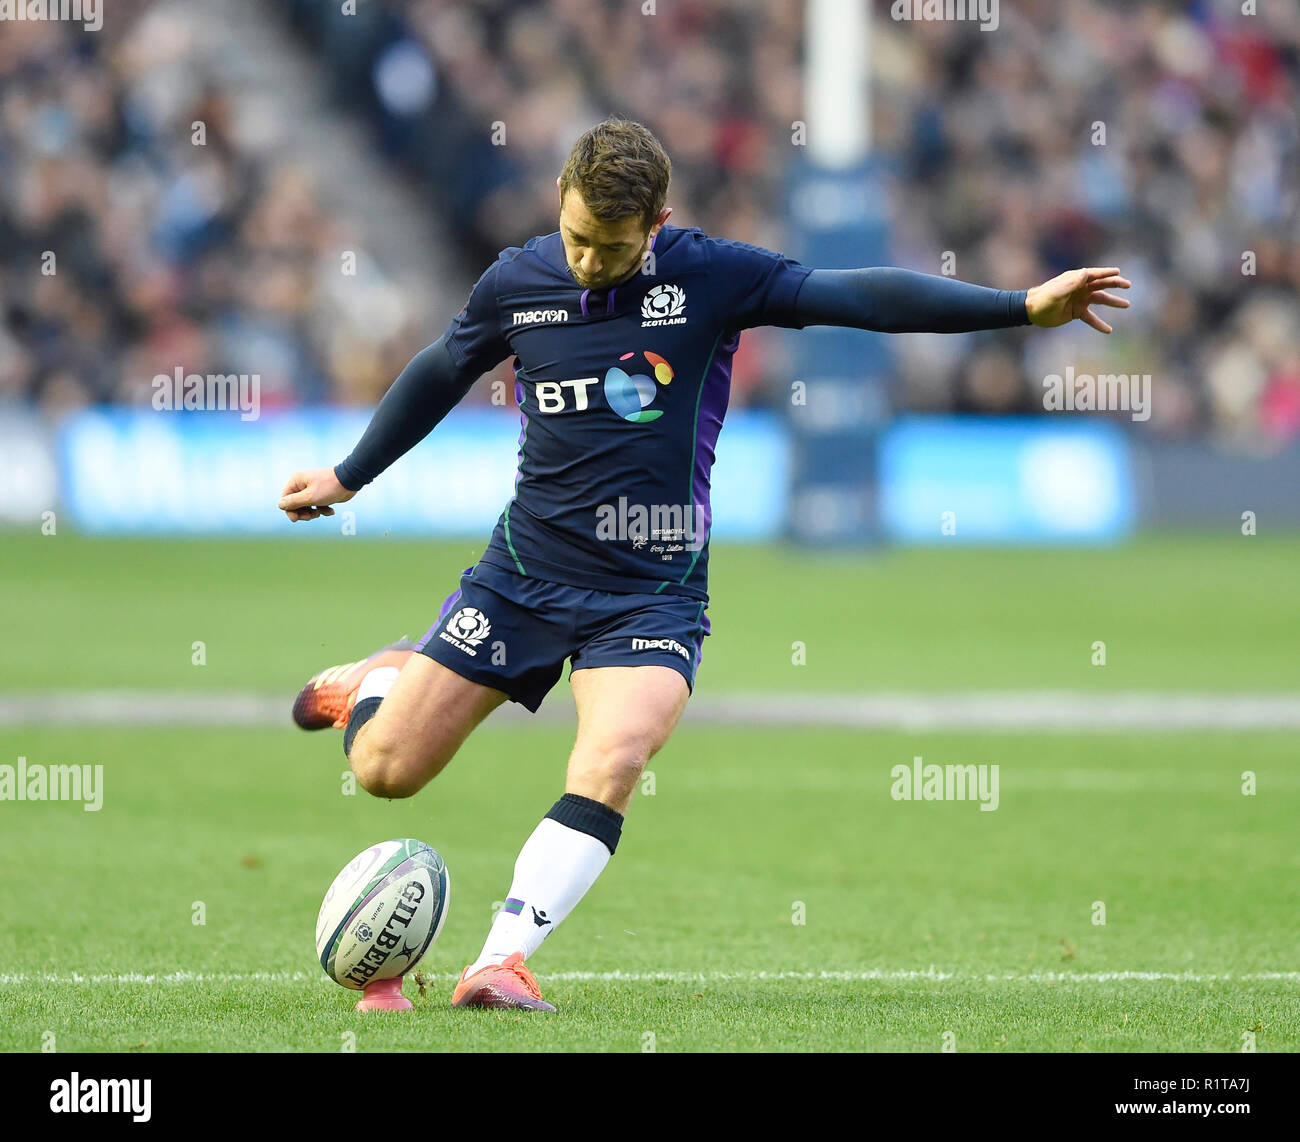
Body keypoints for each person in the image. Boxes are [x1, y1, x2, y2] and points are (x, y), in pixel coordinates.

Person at [278, 117, 1130, 1012]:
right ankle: (381, 679)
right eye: (574, 237)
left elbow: (858, 297)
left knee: (614, 756)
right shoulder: (517, 282)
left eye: (609, 248)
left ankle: (501, 960)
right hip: (522, 575)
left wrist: (1020, 307)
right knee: (384, 771)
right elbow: (440, 370)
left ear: (657, 224)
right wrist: (347, 476)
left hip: (652, 595)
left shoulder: (711, 276)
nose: (586, 263)